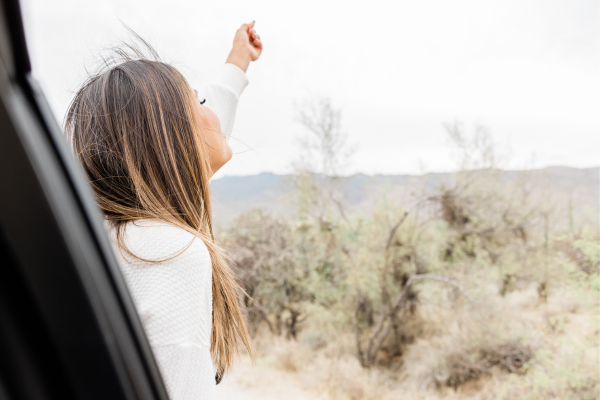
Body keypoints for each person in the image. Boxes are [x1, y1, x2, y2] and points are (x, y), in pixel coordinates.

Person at [65, 21, 262, 400]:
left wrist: (239, 61)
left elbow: (205, 125)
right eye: (199, 102)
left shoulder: (120, 236)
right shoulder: (168, 251)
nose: (213, 113)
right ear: (171, 141)